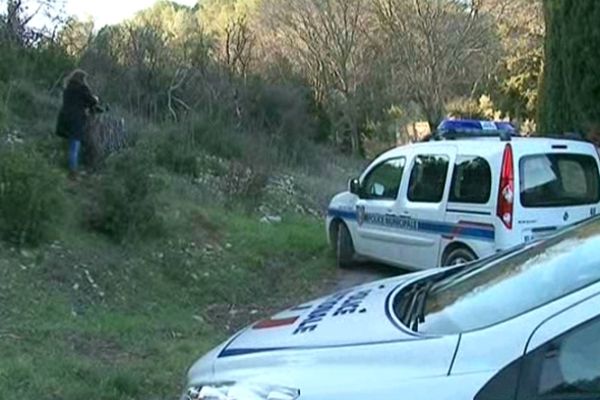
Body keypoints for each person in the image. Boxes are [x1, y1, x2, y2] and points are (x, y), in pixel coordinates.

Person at [55, 69, 98, 179]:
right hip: (76, 119)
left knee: (70, 144)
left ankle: (67, 166)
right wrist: (95, 99)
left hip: (64, 118)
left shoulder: (67, 88)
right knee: (75, 145)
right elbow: (92, 101)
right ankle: (73, 172)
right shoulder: (82, 89)